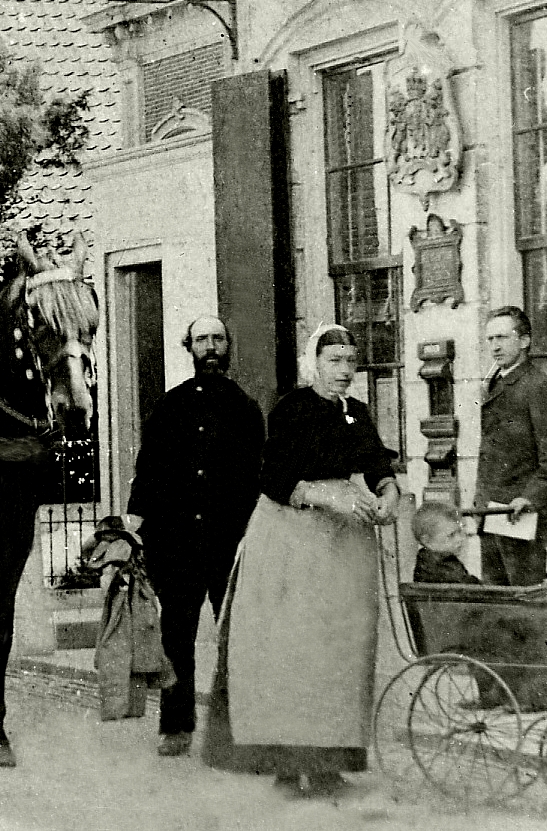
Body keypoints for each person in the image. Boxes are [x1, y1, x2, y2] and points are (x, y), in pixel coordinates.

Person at [203, 323, 399, 797]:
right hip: (289, 540)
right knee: (291, 650)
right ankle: (286, 766)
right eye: (335, 361)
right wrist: (324, 496)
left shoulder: (356, 413)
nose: (345, 370)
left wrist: (389, 492)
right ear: (315, 363)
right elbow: (273, 477)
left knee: (339, 651)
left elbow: (376, 464)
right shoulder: (292, 408)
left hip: (342, 547)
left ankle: (329, 763)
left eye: (351, 361)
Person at [125, 316, 265, 758]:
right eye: (202, 339)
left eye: (218, 339)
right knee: (176, 637)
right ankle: (176, 726)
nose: (211, 347)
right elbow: (148, 471)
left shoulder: (246, 409)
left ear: (228, 347)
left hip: (230, 542)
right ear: (190, 347)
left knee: (236, 637)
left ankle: (238, 729)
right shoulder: (170, 406)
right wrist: (134, 524)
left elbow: (258, 477)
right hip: (177, 543)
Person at [474, 306, 547, 586]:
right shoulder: (496, 383)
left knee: (525, 599)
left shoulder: (539, 386)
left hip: (522, 517)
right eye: (491, 339)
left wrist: (530, 498)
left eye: (502, 338)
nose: (495, 346)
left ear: (524, 341)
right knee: (496, 601)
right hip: (492, 514)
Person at [411, 504, 481, 585]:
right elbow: (468, 584)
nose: (460, 539)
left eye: (460, 532)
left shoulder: (427, 560)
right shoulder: (442, 567)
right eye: (451, 535)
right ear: (427, 541)